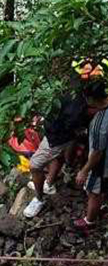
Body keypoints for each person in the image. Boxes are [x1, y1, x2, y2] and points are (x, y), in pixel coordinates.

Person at [24, 87, 93, 218]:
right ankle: (49, 183)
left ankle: (39, 199)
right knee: (59, 156)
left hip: (57, 137)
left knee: (34, 166)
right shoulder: (74, 92)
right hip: (64, 136)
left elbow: (70, 122)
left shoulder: (77, 102)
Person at [73, 80, 108, 232]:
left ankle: (89, 222)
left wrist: (84, 170)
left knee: (94, 191)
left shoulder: (101, 123)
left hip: (102, 164)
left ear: (91, 100)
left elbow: (98, 153)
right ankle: (104, 205)